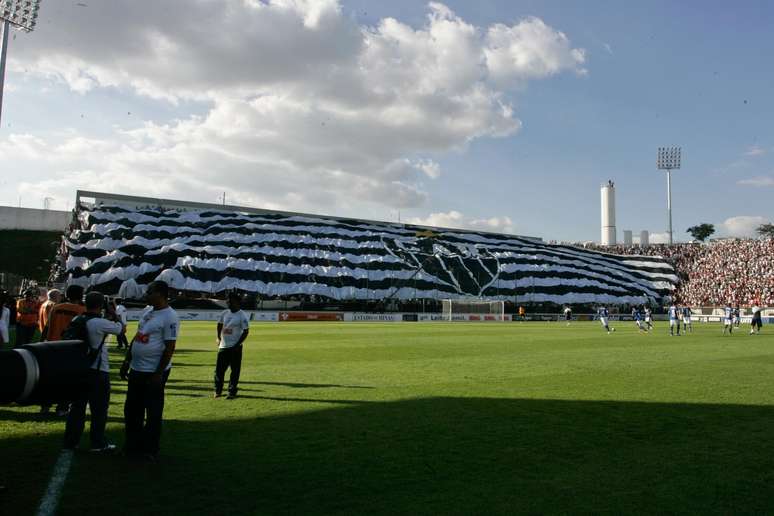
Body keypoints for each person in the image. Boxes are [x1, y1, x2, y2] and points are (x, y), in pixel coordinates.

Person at [120, 280, 179, 461]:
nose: (146, 295)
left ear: (161, 294)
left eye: (150, 292)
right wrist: (127, 360)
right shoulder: (147, 311)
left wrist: (158, 373)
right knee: (132, 410)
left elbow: (170, 347)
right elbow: (137, 337)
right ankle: (132, 446)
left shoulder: (170, 316)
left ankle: (150, 450)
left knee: (152, 412)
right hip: (137, 368)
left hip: (153, 372)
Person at [63, 291, 125, 452]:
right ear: (101, 305)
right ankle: (97, 442)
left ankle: (71, 441)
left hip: (79, 368)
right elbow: (121, 329)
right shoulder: (98, 322)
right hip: (97, 369)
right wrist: (113, 313)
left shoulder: (78, 319)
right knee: (99, 409)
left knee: (77, 408)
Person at [40, 285, 86, 416]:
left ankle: (45, 406)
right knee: (67, 379)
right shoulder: (82, 310)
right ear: (80, 295)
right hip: (70, 347)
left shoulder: (56, 308)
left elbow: (47, 327)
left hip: (52, 345)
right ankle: (62, 408)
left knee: (50, 378)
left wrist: (43, 341)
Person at [214, 292, 250, 399]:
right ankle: (218, 391)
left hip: (235, 348)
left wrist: (237, 345)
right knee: (219, 370)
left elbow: (246, 331)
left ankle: (232, 391)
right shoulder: (224, 313)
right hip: (223, 346)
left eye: (230, 300)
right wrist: (218, 337)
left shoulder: (242, 315)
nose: (227, 302)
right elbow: (219, 324)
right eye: (227, 300)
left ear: (237, 302)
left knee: (234, 371)